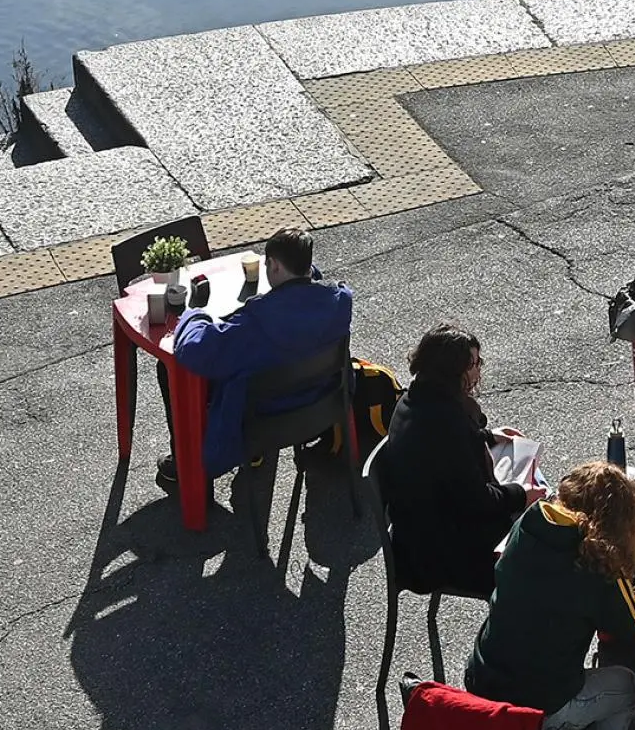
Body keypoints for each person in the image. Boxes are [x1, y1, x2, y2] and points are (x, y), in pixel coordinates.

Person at [464, 462, 635, 730]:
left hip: (481, 681)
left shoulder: (529, 523)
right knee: (626, 687)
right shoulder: (597, 562)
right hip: (534, 711)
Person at [166, 226, 351, 486]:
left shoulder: (255, 324)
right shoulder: (340, 301)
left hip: (264, 420)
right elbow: (313, 282)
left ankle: (185, 464)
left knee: (175, 369)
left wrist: (195, 314)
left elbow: (193, 350)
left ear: (274, 266)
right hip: (320, 406)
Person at [373, 325, 536, 601]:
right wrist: (522, 494)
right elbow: (477, 501)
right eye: (472, 364)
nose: (477, 371)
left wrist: (487, 436)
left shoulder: (414, 399)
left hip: (416, 533)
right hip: (438, 558)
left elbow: (443, 458)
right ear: (451, 372)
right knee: (539, 553)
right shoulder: (446, 424)